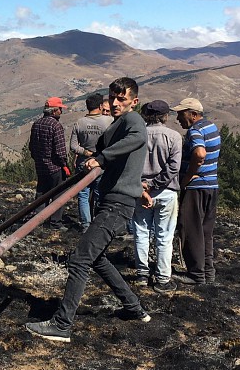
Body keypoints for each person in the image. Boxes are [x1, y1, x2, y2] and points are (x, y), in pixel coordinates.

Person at [26, 77, 151, 343]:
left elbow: (139, 139)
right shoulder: (117, 124)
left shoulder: (134, 122)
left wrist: (102, 158)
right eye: (113, 97)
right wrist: (91, 159)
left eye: (122, 99)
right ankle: (134, 307)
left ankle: (62, 325)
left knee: (80, 258)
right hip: (110, 200)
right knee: (96, 258)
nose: (116, 103)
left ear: (134, 101)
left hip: (117, 204)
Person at [131, 100, 182, 294]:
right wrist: (155, 184)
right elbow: (174, 167)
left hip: (140, 191)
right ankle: (162, 278)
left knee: (141, 232)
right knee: (164, 237)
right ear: (165, 116)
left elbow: (130, 164)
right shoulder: (174, 136)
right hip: (166, 192)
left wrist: (144, 186)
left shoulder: (137, 136)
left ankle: (142, 274)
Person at [170, 98, 221, 285]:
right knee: (206, 231)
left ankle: (195, 274)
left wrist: (188, 177)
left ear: (193, 114)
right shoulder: (212, 126)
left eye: (181, 114)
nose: (178, 118)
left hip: (196, 188)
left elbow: (199, 154)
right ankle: (208, 272)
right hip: (211, 186)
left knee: (190, 229)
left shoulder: (195, 130)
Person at [69, 93, 113, 232]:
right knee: (100, 194)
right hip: (102, 164)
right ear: (100, 106)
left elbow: (73, 146)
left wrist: (86, 153)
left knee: (83, 194)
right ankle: (99, 225)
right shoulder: (109, 122)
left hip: (84, 164)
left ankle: (85, 225)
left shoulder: (79, 123)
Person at [29, 97, 70, 229]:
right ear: (53, 111)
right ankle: (55, 222)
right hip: (55, 167)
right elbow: (60, 150)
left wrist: (38, 159)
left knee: (41, 193)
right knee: (59, 195)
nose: (61, 112)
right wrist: (64, 165)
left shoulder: (36, 124)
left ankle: (38, 220)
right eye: (59, 109)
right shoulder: (56, 126)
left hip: (40, 165)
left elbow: (31, 146)